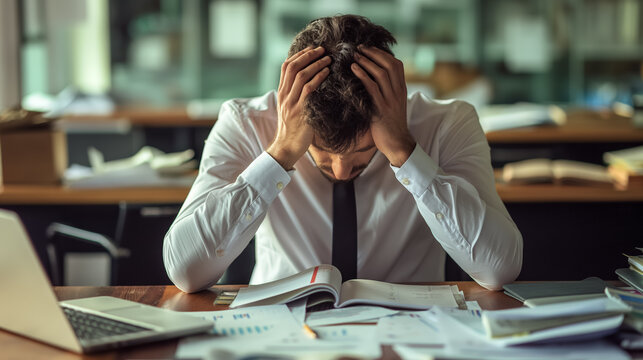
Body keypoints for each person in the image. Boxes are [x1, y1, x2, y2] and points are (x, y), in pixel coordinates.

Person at [163, 15, 523, 293]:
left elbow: (499, 267)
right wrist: (282, 153)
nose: (340, 169)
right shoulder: (245, 122)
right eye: (320, 151)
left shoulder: (449, 123)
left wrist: (402, 150)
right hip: (282, 334)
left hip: (413, 332)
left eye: (365, 151)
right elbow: (185, 270)